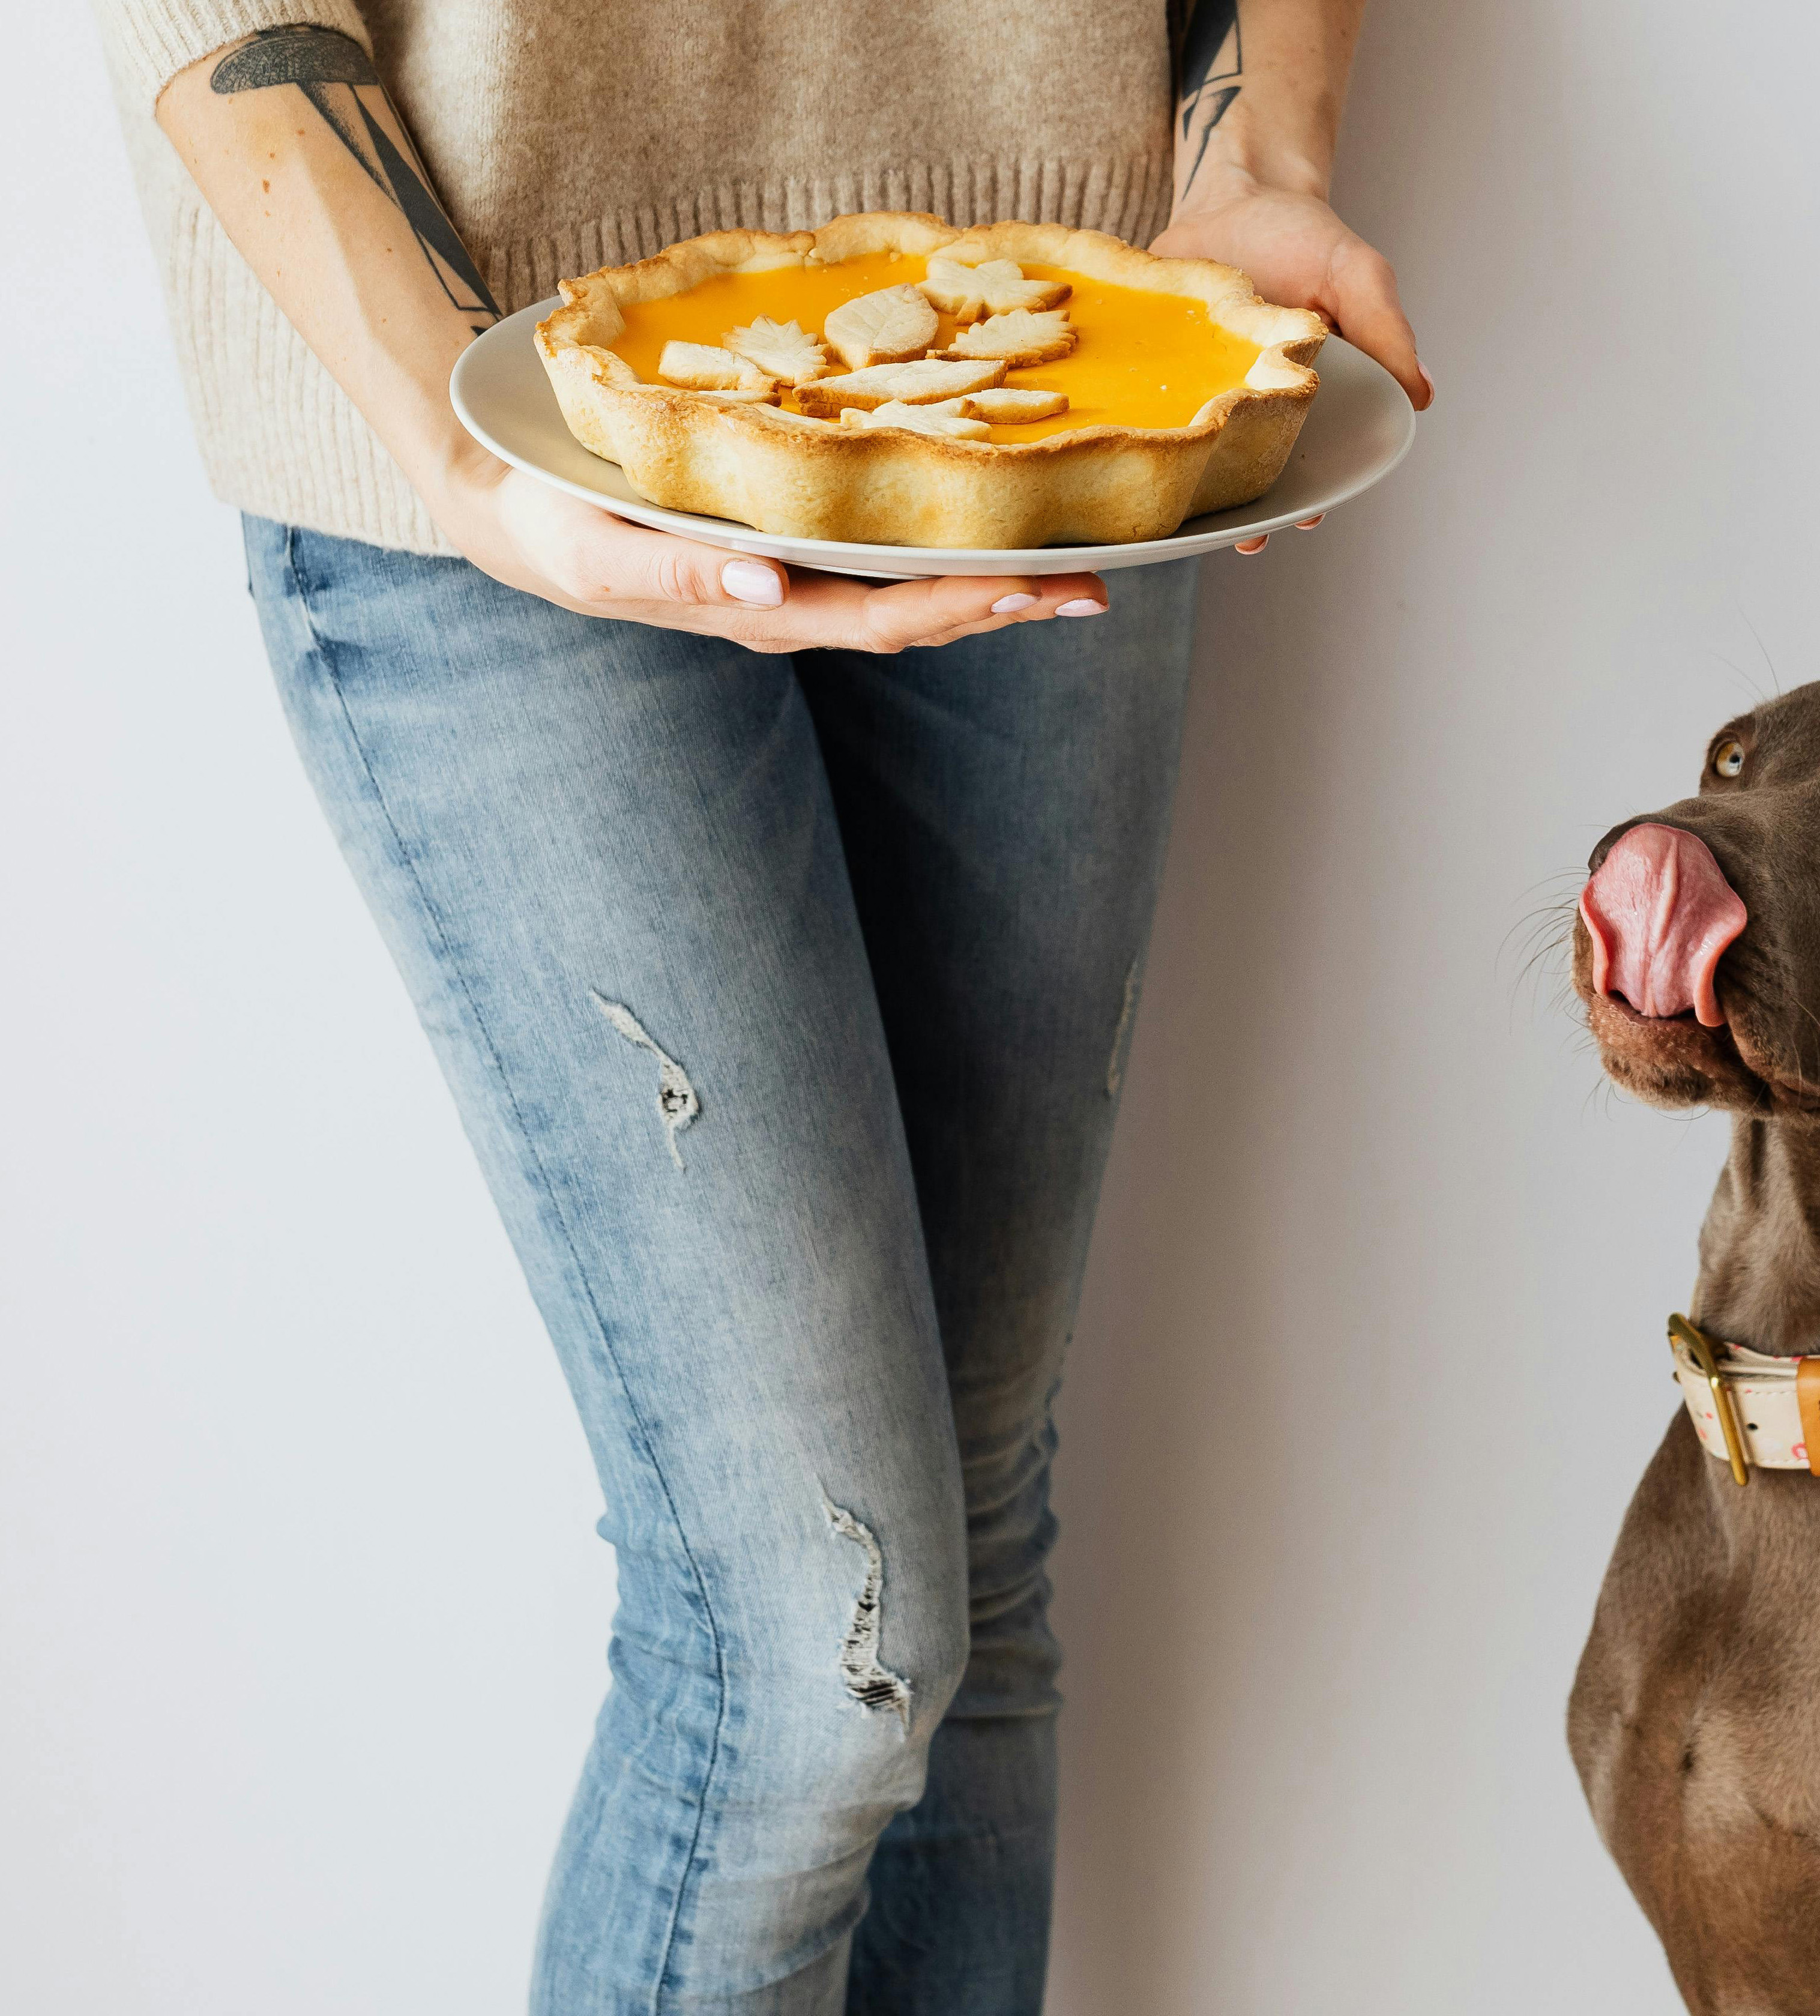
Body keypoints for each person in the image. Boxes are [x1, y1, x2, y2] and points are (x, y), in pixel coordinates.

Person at [97, 1, 1427, 2008]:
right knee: (821, 1647)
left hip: (1072, 363)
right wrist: (457, 420)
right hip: (477, 416)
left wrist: (1258, 154)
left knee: (965, 1556)